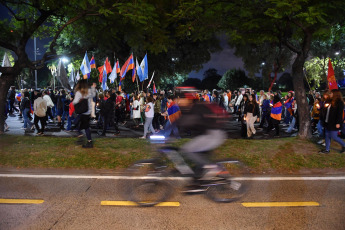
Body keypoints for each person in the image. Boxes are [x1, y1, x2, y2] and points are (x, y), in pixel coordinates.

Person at [319, 89, 345, 154]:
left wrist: (338, 122)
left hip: (334, 122)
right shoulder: (329, 101)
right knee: (327, 135)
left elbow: (339, 113)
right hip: (327, 121)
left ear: (335, 94)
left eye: (331, 93)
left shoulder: (339, 102)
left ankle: (344, 145)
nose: (330, 94)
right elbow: (325, 109)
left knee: (334, 136)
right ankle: (327, 150)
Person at [73, 80, 96, 148]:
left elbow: (75, 102)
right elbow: (93, 96)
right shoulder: (89, 92)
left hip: (81, 112)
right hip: (87, 111)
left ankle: (88, 140)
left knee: (78, 124)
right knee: (84, 126)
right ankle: (83, 137)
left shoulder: (79, 93)